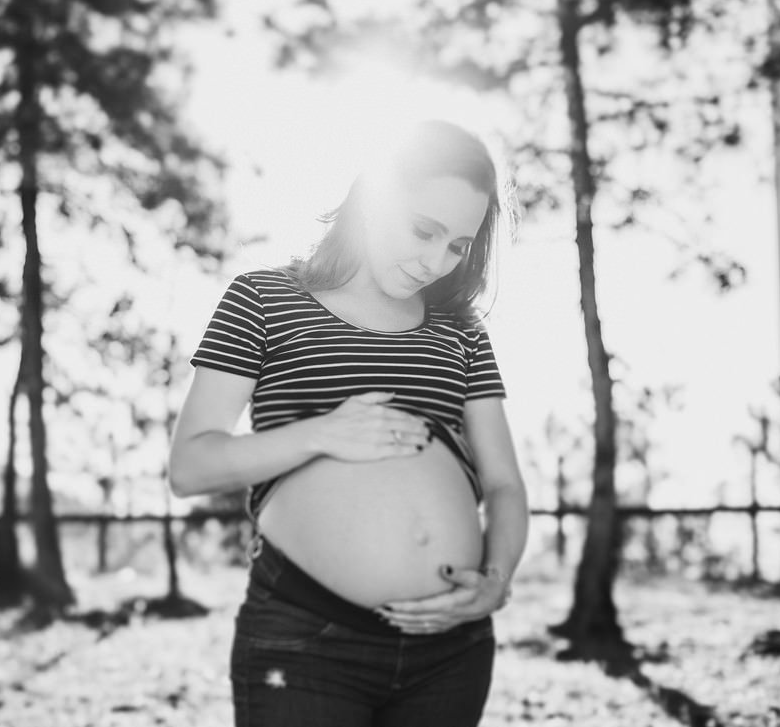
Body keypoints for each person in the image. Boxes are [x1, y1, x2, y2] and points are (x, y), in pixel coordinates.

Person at [168, 118, 529, 726]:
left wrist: (496, 580)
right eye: (424, 230)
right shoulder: (262, 299)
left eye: (458, 246)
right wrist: (319, 435)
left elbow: (504, 485)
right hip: (306, 640)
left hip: (451, 650)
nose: (436, 261)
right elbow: (190, 466)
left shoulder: (461, 333)